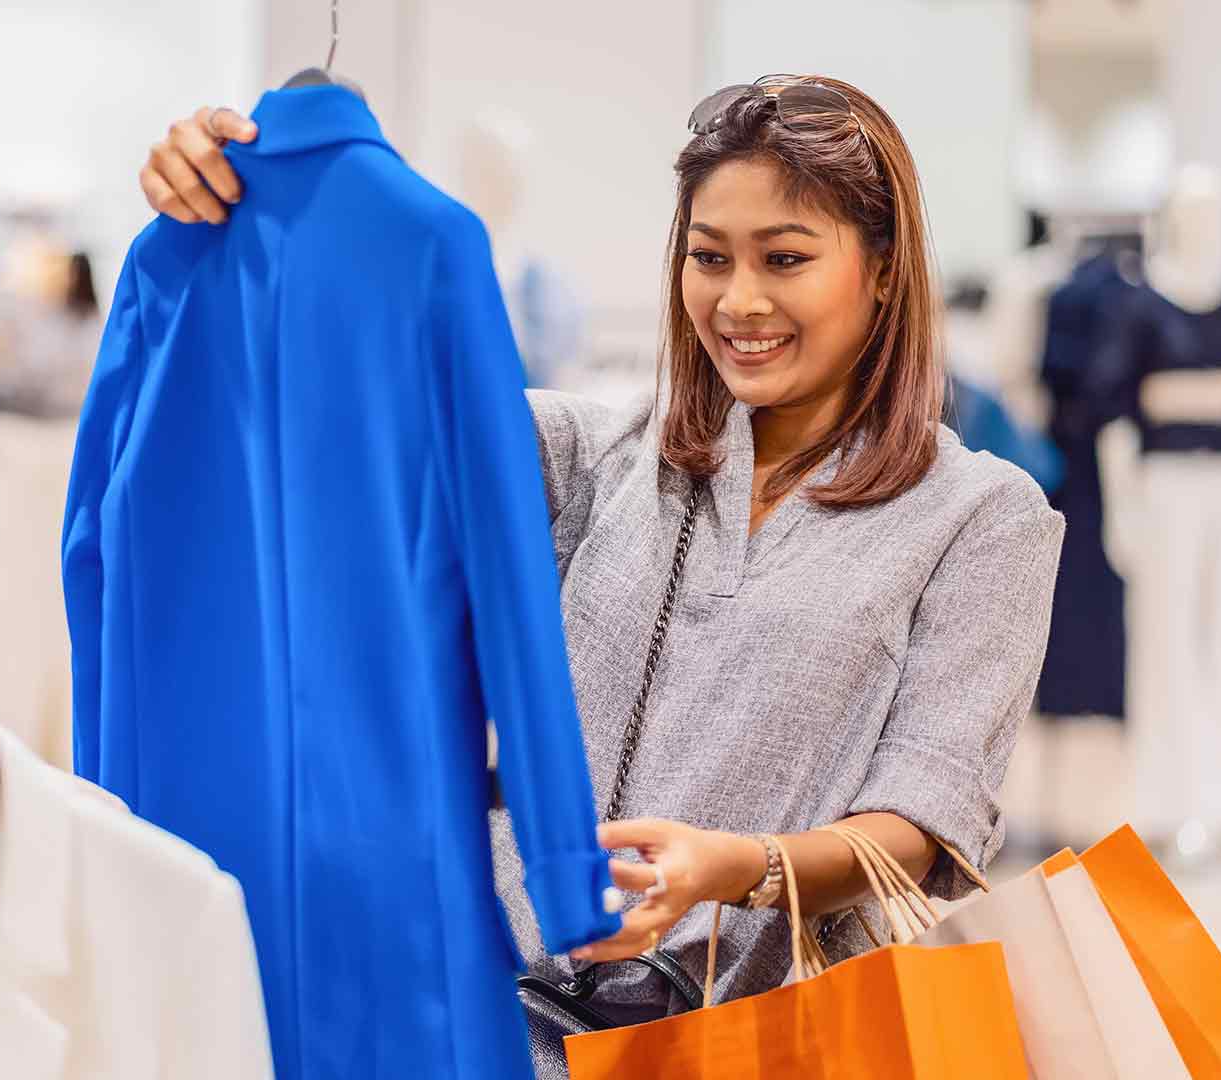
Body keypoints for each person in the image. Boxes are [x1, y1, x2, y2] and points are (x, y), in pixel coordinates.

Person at [136, 75, 1065, 1073]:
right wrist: (255, 195)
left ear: (884, 270)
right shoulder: (598, 451)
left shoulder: (980, 516)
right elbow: (352, 415)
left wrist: (733, 869)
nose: (738, 301)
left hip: (771, 1034)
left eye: (785, 259)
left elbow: (922, 824)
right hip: (502, 1022)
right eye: (709, 259)